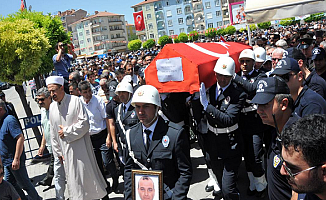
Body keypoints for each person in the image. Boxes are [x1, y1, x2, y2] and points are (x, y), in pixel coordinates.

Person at [124, 85, 192, 200]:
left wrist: (177, 197)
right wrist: (129, 196)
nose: (140, 112)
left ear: (157, 107)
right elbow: (128, 170)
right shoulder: (131, 134)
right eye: (138, 107)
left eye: (146, 106)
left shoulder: (174, 134)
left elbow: (185, 172)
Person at [46, 76, 107, 200]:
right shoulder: (52, 107)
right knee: (74, 182)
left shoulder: (75, 101)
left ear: (62, 88)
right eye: (50, 92)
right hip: (64, 153)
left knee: (88, 179)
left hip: (81, 150)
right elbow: (53, 132)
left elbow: (85, 124)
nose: (52, 94)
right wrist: (58, 152)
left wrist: (66, 131)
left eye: (54, 91)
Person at [199, 56, 247, 200]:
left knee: (227, 188)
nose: (222, 79)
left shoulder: (238, 94)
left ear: (232, 76)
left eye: (226, 76)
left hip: (230, 144)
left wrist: (208, 106)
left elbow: (228, 119)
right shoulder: (211, 89)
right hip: (213, 143)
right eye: (219, 74)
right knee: (220, 181)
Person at [251, 76, 298, 200]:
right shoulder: (276, 129)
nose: (259, 110)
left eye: (265, 104)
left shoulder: (297, 138)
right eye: (257, 105)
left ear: (284, 104)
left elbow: (298, 191)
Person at [234, 49, 268, 197]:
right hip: (241, 122)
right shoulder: (236, 77)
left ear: (254, 62)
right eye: (242, 61)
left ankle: (262, 185)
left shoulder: (259, 75)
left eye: (248, 61)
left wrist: (235, 77)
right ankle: (253, 183)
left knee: (255, 154)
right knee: (246, 155)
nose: (245, 64)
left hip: (255, 122)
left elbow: (253, 89)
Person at [78, 80, 118, 195]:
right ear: (80, 93)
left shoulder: (98, 100)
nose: (88, 94)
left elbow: (106, 119)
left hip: (102, 135)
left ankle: (115, 177)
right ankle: (104, 185)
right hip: (90, 139)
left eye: (89, 91)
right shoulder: (79, 103)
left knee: (107, 162)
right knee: (97, 166)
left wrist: (109, 137)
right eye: (85, 92)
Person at [0, 100, 41, 200]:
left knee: (25, 184)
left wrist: (16, 158)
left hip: (14, 161)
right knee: (11, 184)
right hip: (6, 162)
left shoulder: (10, 120)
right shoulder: (1, 121)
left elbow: (20, 138)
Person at [280, 114, 326, 200]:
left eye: (292, 168)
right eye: (283, 162)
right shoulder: (307, 186)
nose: (282, 171)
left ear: (324, 171)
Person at [35, 87, 66, 199]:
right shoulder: (43, 111)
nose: (39, 102)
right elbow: (45, 129)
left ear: (49, 97)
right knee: (58, 174)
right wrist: (42, 145)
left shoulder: (58, 108)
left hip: (61, 147)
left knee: (59, 174)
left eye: (42, 99)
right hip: (51, 147)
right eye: (37, 100)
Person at [114, 82, 139, 166]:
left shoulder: (137, 107)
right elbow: (118, 131)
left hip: (137, 148)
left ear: (130, 93)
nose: (121, 95)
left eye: (123, 92)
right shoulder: (117, 109)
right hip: (124, 148)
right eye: (119, 93)